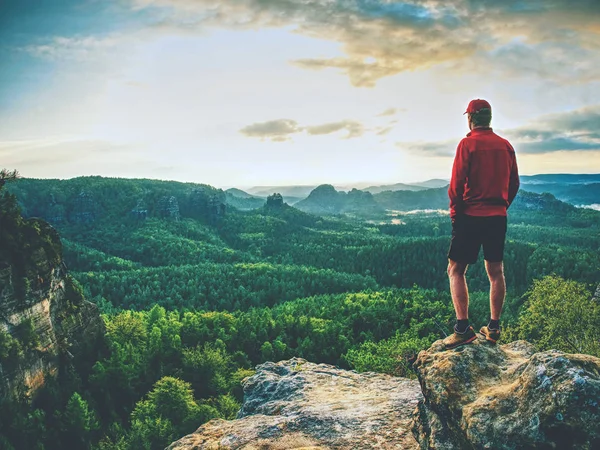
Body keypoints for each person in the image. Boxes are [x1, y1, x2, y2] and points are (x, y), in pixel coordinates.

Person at [442, 99, 520, 349]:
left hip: (471, 216)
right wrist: (501, 206)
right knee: (496, 271)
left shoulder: (467, 144)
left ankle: (463, 329)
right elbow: (514, 184)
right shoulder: (506, 146)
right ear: (489, 118)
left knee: (455, 269)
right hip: (497, 217)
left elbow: (456, 185)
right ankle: (494, 327)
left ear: (470, 119)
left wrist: (456, 214)